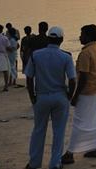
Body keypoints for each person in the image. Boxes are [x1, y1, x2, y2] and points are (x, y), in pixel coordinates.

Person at [24, 26, 76, 169]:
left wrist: (32, 97)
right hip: (60, 96)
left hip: (41, 96)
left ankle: (34, 163)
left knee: (39, 130)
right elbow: (72, 79)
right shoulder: (66, 56)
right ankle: (55, 163)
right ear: (61, 40)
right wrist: (69, 96)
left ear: (48, 38)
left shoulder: (36, 55)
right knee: (59, 132)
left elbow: (29, 78)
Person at [62, 24, 96, 165]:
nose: (80, 36)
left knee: (79, 122)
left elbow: (83, 77)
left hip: (86, 92)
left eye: (82, 34)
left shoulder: (86, 53)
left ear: (88, 36)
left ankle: (70, 153)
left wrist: (75, 96)